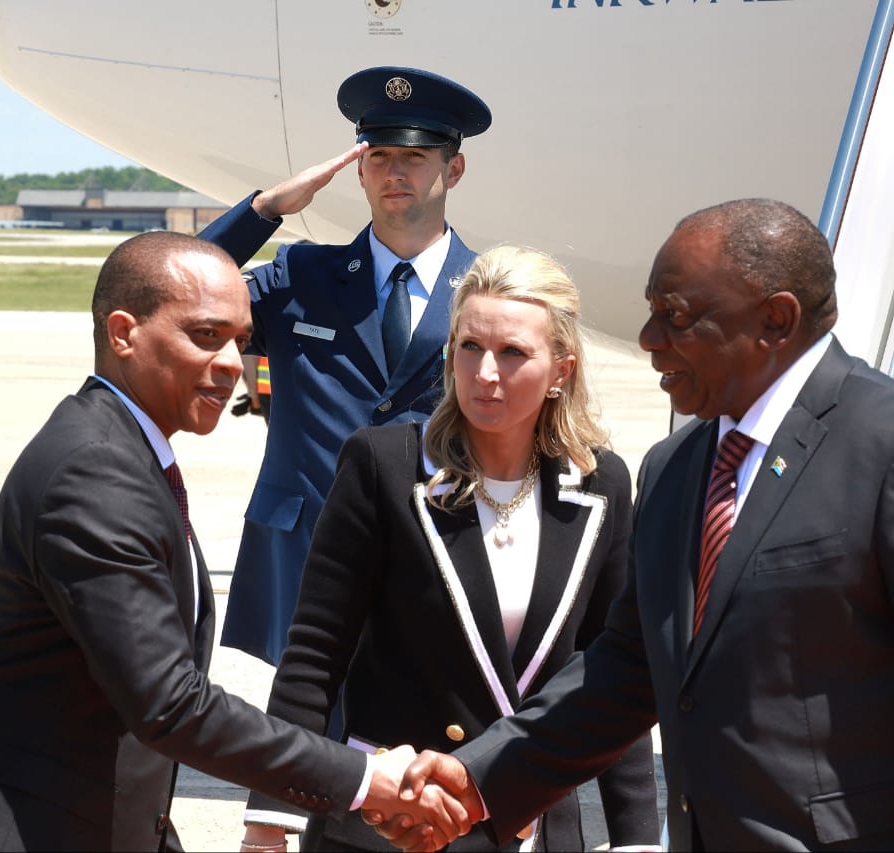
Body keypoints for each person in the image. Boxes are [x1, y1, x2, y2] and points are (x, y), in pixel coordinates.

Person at [0, 231, 471, 852]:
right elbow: (170, 704)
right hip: (13, 827)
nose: (234, 363)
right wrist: (367, 777)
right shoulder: (95, 473)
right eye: (205, 337)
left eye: (239, 340)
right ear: (123, 334)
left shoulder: (122, 450)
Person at [380, 199, 894, 851]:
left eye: (675, 316)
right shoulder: (676, 467)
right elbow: (627, 666)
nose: (650, 338)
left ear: (776, 318)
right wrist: (476, 777)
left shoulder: (880, 444)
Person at [239, 246, 658, 853]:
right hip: (391, 825)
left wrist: (636, 839)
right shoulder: (385, 465)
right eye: (469, 347)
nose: (486, 373)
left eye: (513, 352)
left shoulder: (601, 485)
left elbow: (611, 672)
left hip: (530, 827)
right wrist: (268, 821)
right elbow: (314, 656)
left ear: (561, 371)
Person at [200, 65, 492, 665]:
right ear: (358, 169)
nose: (395, 171)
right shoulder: (301, 277)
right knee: (309, 747)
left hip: (439, 552)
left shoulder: (491, 290)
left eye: (415, 155)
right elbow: (172, 289)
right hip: (306, 554)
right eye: (378, 155)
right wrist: (263, 210)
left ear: (453, 169)